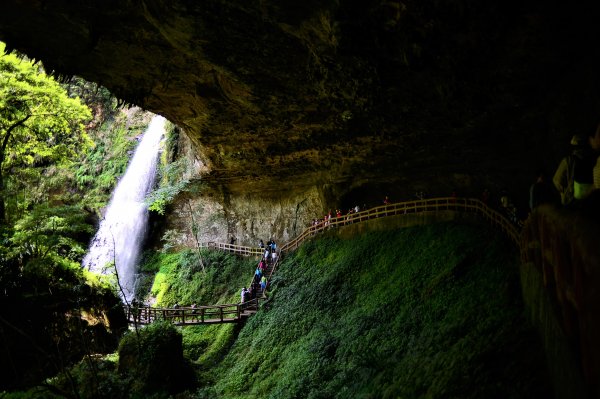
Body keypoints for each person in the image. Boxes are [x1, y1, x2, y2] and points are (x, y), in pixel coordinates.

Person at [553, 134, 595, 206]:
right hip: (589, 201)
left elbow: (556, 180)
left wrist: (565, 191)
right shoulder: (592, 161)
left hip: (571, 201)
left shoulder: (568, 160)